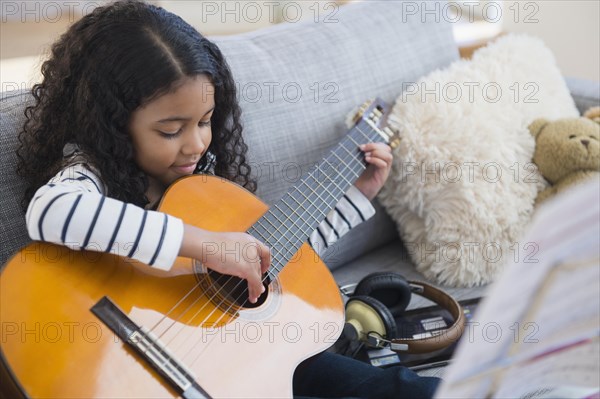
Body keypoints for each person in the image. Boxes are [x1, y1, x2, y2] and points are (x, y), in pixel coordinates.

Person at [17, 1, 440, 397]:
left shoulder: (204, 181)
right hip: (121, 347)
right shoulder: (92, 173)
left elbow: (281, 265)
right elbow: (52, 212)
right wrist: (207, 245)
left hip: (243, 361)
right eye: (170, 130)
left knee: (402, 387)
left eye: (204, 122)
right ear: (110, 123)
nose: (196, 144)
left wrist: (357, 196)